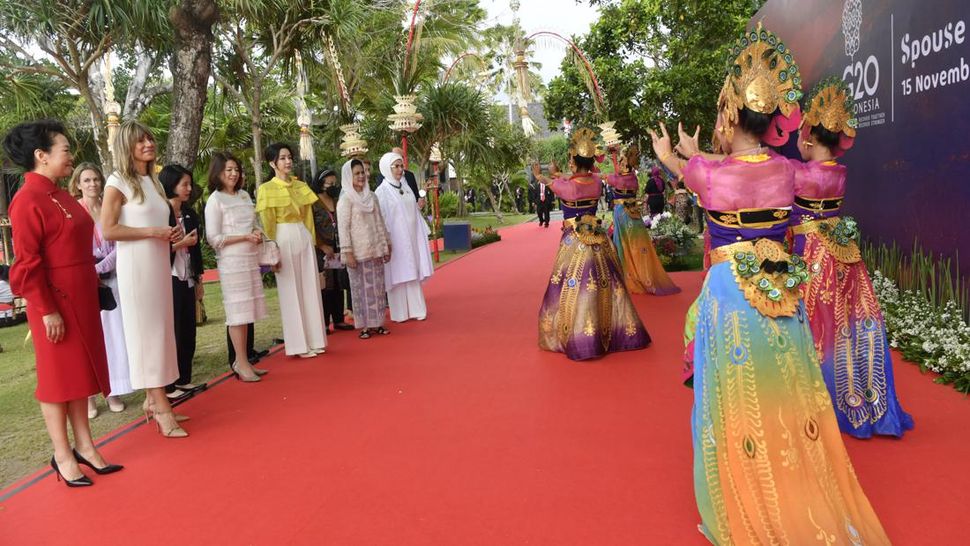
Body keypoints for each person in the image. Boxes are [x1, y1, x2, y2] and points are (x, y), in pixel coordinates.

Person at [652, 25, 888, 543]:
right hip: (783, 287)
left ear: (732, 113)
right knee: (790, 389)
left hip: (731, 293)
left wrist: (674, 152)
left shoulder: (707, 176)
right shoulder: (789, 173)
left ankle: (745, 491)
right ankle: (799, 480)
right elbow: (759, 170)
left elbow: (699, 169)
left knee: (737, 396)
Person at [792, 78, 913, 438]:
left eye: (799, 134)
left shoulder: (802, 174)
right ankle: (857, 394)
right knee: (846, 327)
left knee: (820, 329)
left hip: (813, 255)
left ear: (810, 137)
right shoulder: (838, 172)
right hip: (842, 253)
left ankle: (822, 400)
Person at [5, 119, 122, 484]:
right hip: (54, 302)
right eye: (65, 149)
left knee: (79, 375)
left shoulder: (59, 194)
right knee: (57, 381)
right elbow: (26, 264)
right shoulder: (27, 200)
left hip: (82, 294)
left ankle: (85, 445)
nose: (71, 155)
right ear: (41, 156)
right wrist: (46, 310)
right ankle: (62, 453)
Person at [531, 129, 651, 361]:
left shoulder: (569, 187)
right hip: (598, 238)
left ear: (575, 163)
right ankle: (609, 330)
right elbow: (570, 178)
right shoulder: (595, 182)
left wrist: (542, 176)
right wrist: (561, 174)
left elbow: (556, 182)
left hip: (574, 241)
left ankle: (581, 336)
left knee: (573, 286)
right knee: (606, 283)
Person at [102, 120, 188, 438]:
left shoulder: (152, 181)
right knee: (147, 335)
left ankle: (154, 400)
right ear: (127, 146)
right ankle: (162, 408)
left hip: (157, 265)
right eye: (140, 141)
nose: (148, 144)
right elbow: (108, 229)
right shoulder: (117, 182)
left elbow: (157, 221)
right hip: (136, 268)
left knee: (162, 332)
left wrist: (170, 233)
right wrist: (152, 232)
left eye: (150, 138)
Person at [69, 163, 132, 417]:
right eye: (87, 180)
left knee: (114, 338)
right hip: (87, 284)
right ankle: (88, 398)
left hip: (113, 279)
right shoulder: (73, 211)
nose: (92, 184)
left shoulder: (109, 207)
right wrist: (91, 271)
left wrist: (103, 266)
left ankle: (112, 390)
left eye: (96, 179)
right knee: (89, 341)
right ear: (78, 184)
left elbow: (120, 241)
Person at [255, 142, 326, 357]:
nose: (288, 161)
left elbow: (308, 218)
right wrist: (272, 250)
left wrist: (312, 241)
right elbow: (268, 224)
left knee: (310, 287)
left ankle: (316, 339)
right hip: (283, 236)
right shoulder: (266, 189)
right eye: (283, 158)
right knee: (290, 290)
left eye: (289, 157)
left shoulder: (300, 186)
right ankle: (298, 345)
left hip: (302, 235)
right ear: (272, 163)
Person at [205, 152, 269, 382]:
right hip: (232, 262)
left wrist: (256, 232)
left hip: (250, 259)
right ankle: (240, 362)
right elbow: (213, 238)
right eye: (228, 170)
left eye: (236, 169)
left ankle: (244, 360)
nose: (233, 174)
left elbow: (252, 223)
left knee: (247, 312)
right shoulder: (215, 199)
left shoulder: (243, 195)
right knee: (237, 313)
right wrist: (244, 237)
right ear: (218, 173)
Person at [602, 146, 680, 296]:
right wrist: (614, 155)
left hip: (622, 214)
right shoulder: (632, 178)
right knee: (637, 244)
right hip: (633, 214)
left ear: (625, 164)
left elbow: (610, 176)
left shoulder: (618, 180)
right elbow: (617, 172)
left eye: (621, 161)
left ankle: (628, 275)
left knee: (624, 244)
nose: (619, 162)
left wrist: (612, 156)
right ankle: (640, 272)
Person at [160, 164, 207, 399]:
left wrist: (199, 279)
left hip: (187, 275)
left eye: (189, 184)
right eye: (184, 184)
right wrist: (180, 244)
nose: (189, 189)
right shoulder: (160, 214)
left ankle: (184, 378)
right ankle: (169, 385)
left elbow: (196, 249)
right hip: (168, 277)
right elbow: (157, 250)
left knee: (188, 327)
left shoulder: (189, 214)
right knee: (174, 329)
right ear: (171, 185)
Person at [375, 151, 433, 322]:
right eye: (396, 166)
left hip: (411, 238)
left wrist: (419, 207)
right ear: (387, 168)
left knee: (412, 272)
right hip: (395, 241)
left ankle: (417, 309)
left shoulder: (405, 186)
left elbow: (412, 210)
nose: (400, 170)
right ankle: (400, 313)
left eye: (402, 166)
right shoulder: (382, 192)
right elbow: (382, 218)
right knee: (398, 275)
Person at [337, 159, 392, 338]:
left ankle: (378, 323)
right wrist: (347, 252)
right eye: (357, 173)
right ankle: (365, 326)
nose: (361, 176)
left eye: (363, 172)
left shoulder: (372, 196)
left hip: (375, 249)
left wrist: (386, 244)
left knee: (377, 288)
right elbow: (343, 228)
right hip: (357, 252)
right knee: (360, 288)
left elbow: (380, 221)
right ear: (348, 176)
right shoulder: (346, 199)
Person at [309, 167, 353, 332]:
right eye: (330, 182)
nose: (333, 185)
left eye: (335, 182)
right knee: (325, 286)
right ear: (321, 183)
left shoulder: (336, 201)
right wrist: (321, 245)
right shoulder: (313, 202)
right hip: (322, 249)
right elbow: (311, 226)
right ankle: (324, 323)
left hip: (337, 247)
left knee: (337, 283)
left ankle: (339, 319)